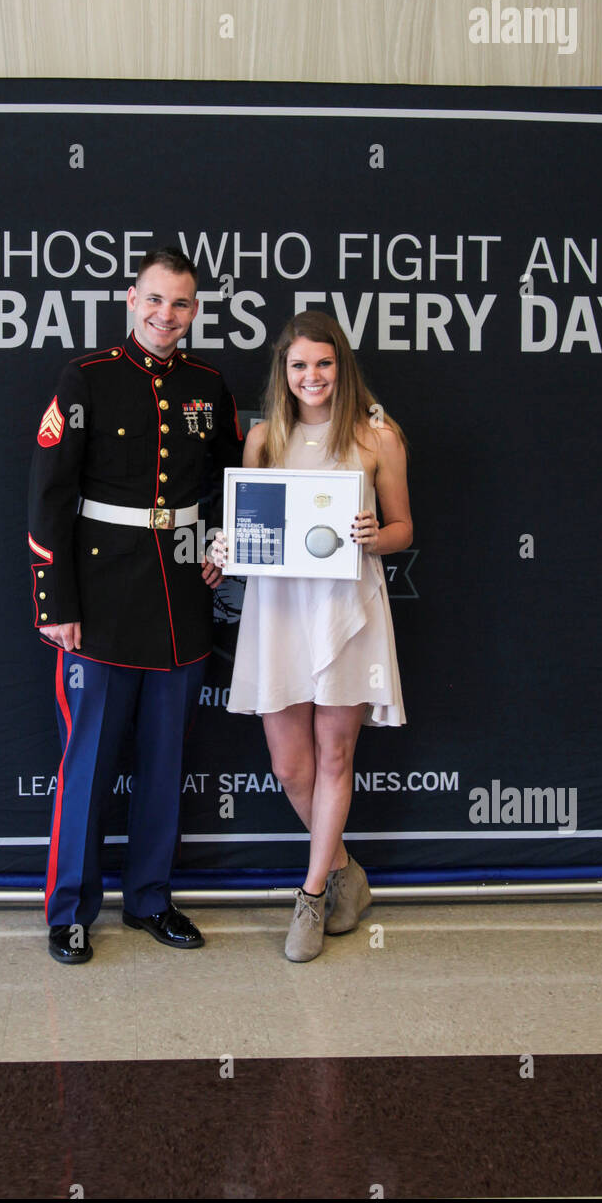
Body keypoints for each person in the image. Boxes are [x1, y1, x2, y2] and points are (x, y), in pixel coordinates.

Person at [28, 247, 244, 964]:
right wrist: (54, 600)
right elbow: (50, 494)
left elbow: (232, 483)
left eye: (180, 303)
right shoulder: (86, 377)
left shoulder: (208, 386)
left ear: (194, 310)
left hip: (181, 595)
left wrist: (222, 546)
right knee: (86, 762)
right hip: (97, 597)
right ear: (130, 298)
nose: (166, 316)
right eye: (154, 300)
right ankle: (68, 911)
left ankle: (150, 897)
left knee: (163, 759)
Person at [212, 311, 412, 962]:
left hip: (344, 611)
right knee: (288, 765)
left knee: (332, 757)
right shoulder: (263, 439)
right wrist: (224, 547)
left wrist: (371, 537)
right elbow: (250, 534)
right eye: (299, 365)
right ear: (284, 373)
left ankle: (308, 897)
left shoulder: (376, 438)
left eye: (322, 364)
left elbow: (402, 530)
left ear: (340, 367)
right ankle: (345, 874)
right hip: (278, 614)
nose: (311, 376)